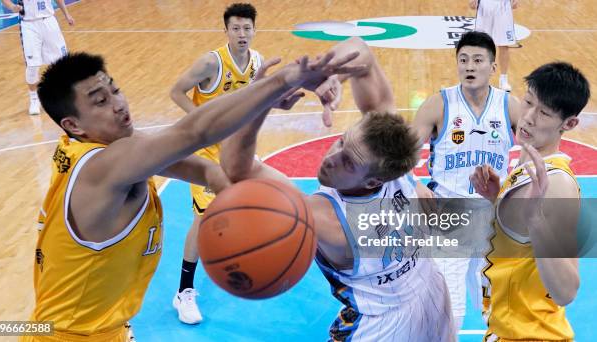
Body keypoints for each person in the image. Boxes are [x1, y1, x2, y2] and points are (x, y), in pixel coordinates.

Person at [20, 50, 358, 341]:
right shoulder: (104, 167)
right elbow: (194, 132)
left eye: (116, 90)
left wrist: (246, 213)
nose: (119, 104)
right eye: (100, 101)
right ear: (74, 125)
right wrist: (282, 81)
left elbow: (206, 170)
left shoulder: (100, 148)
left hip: (87, 326)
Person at [220, 37, 455, 342]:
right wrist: (332, 74)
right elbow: (361, 50)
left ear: (372, 182)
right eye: (342, 141)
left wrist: (263, 97)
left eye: (348, 162)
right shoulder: (392, 159)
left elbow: (237, 168)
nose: (331, 158)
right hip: (429, 289)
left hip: (383, 328)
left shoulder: (327, 218)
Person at [470, 62, 590, 341]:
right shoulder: (528, 163)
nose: (529, 118)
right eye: (528, 102)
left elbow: (566, 291)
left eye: (544, 113)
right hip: (509, 329)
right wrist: (495, 200)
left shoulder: (557, 185)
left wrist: (536, 222)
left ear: (569, 124)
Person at [411, 31, 520, 332]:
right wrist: (416, 185)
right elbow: (400, 157)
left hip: (492, 218)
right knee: (451, 307)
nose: (470, 66)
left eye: (478, 60)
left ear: (493, 67)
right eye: (463, 60)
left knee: (497, 305)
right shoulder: (438, 105)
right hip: (449, 216)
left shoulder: (510, 106)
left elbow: (538, 152)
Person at [168, 3, 263, 324]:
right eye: (235, 28)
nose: (241, 34)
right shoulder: (211, 62)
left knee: (246, 205)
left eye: (246, 28)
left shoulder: (257, 62)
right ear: (226, 31)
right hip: (204, 156)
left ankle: (230, 254)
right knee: (204, 218)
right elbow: (176, 91)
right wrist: (202, 123)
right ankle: (183, 292)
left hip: (236, 152)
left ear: (254, 29)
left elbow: (251, 101)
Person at [1, 0, 75, 115]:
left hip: (49, 20)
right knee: (32, 65)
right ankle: (34, 100)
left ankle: (62, 95)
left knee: (61, 62)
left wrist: (66, 14)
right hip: (29, 24)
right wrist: (11, 6)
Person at [469, 0, 519, 91]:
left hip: (503, 5)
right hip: (485, 4)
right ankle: (479, 76)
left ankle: (503, 80)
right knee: (481, 44)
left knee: (504, 44)